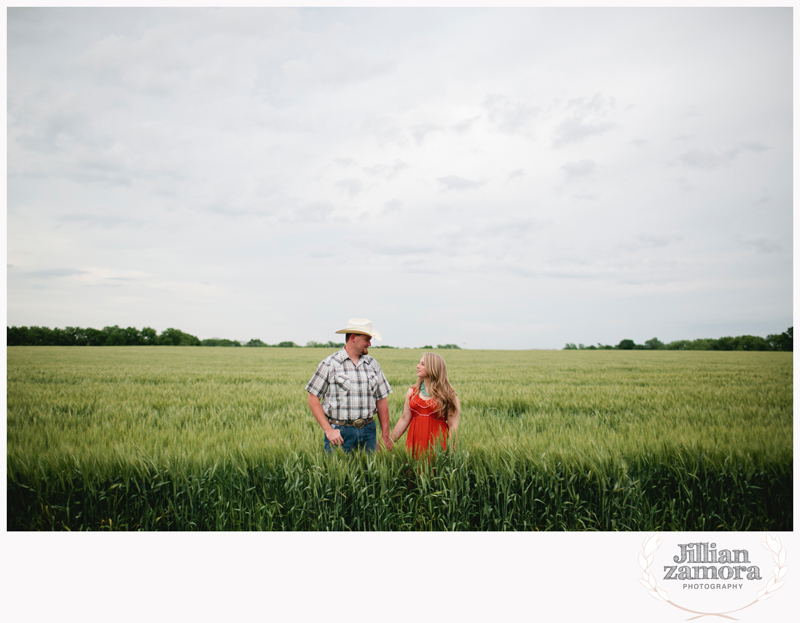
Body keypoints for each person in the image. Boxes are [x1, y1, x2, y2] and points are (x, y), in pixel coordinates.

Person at [306, 318, 393, 453]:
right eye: (366, 339)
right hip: (340, 432)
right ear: (353, 338)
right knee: (337, 474)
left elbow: (381, 400)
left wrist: (385, 436)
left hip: (369, 431)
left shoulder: (373, 364)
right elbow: (313, 399)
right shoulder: (330, 364)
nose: (369, 343)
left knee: (368, 473)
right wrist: (328, 430)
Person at [389, 352, 460, 457]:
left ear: (433, 368)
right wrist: (389, 441)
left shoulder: (449, 395)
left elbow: (453, 426)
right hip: (415, 442)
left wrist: (452, 453)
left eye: (423, 364)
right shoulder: (412, 391)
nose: (418, 366)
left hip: (438, 445)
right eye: (419, 363)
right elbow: (404, 418)